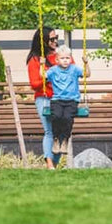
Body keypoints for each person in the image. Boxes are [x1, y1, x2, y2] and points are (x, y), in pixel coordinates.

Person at [43, 45, 90, 155]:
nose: (65, 60)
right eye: (62, 58)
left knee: (67, 118)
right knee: (57, 116)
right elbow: (42, 76)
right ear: (57, 60)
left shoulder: (74, 69)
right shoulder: (53, 70)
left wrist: (86, 63)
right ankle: (56, 139)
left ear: (70, 59)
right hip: (57, 99)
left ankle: (64, 140)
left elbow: (87, 74)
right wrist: (42, 64)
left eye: (67, 58)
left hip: (72, 100)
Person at [27, 27, 63, 169]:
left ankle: (54, 164)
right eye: (52, 39)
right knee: (49, 131)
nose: (55, 41)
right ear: (43, 41)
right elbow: (35, 84)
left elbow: (71, 71)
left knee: (61, 133)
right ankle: (49, 163)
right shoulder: (35, 59)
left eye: (56, 38)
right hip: (44, 98)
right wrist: (50, 77)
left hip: (61, 98)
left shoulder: (61, 55)